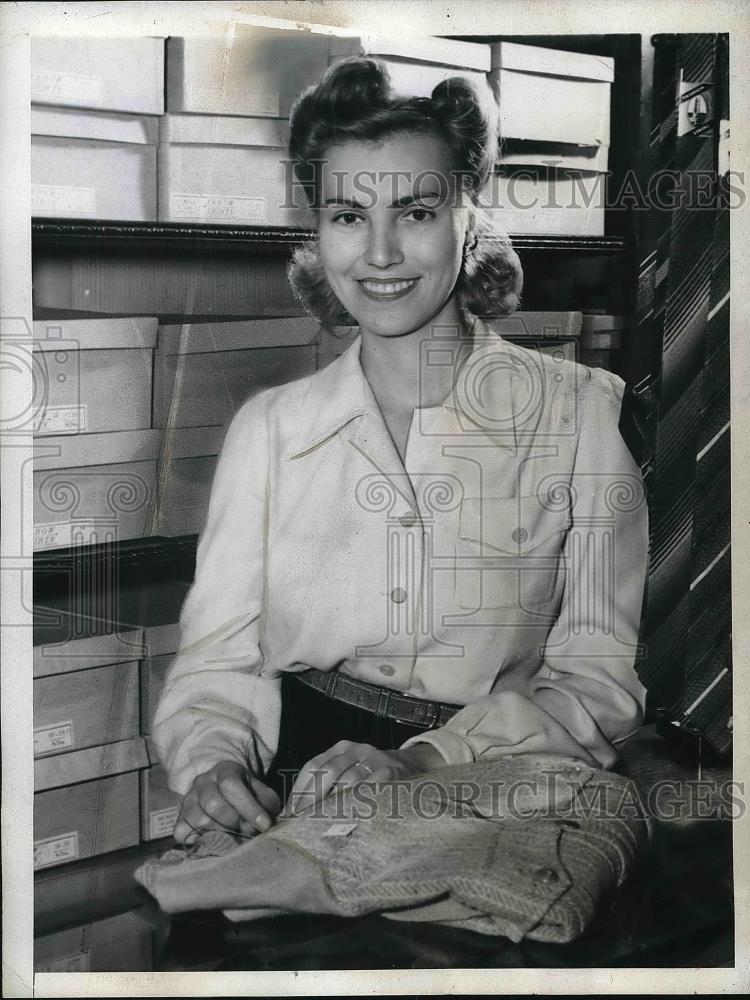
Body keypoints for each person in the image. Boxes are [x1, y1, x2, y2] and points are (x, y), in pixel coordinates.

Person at [152, 57, 649, 846]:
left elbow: (598, 685)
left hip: (490, 784)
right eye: (348, 216)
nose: (379, 253)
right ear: (318, 233)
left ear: (469, 218)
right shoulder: (270, 431)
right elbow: (219, 664)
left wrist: (424, 764)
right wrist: (214, 765)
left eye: (415, 212)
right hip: (299, 786)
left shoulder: (579, 416)